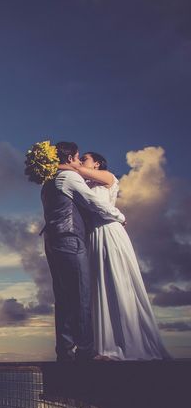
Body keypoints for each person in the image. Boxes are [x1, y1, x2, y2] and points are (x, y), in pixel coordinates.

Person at [58, 152, 172, 360]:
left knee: (115, 280)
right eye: (80, 158)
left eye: (86, 158)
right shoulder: (84, 185)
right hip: (92, 236)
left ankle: (124, 342)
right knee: (96, 286)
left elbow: (75, 169)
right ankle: (102, 345)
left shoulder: (108, 177)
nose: (82, 161)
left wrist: (52, 164)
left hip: (109, 231)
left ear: (98, 163)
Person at [41, 142, 126, 362]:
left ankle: (65, 352)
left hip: (52, 241)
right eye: (78, 158)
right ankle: (87, 352)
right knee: (81, 295)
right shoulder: (69, 177)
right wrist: (119, 216)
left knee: (63, 298)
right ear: (69, 159)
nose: (79, 162)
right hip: (69, 239)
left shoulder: (48, 182)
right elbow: (92, 202)